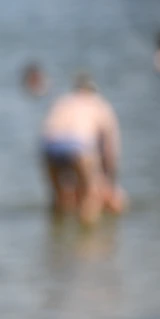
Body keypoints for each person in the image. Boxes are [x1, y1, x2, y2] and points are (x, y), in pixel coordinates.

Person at [40, 73, 126, 224]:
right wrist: (111, 183)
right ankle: (86, 242)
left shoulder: (63, 101)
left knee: (60, 198)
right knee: (90, 197)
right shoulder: (99, 104)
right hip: (78, 145)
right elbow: (110, 149)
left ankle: (57, 240)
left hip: (49, 147)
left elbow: (47, 130)